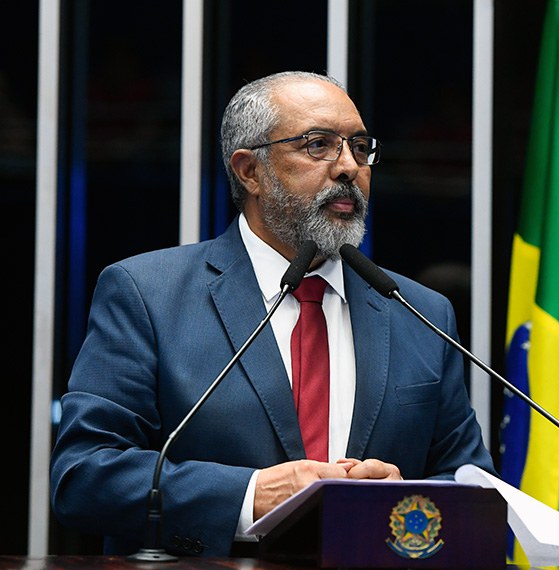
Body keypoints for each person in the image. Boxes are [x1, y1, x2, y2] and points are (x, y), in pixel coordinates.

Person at [50, 70, 496, 557]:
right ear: (250, 171)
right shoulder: (148, 294)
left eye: (359, 147)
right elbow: (84, 474)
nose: (349, 167)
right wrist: (250, 495)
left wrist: (402, 499)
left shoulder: (419, 312)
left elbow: (472, 486)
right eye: (319, 145)